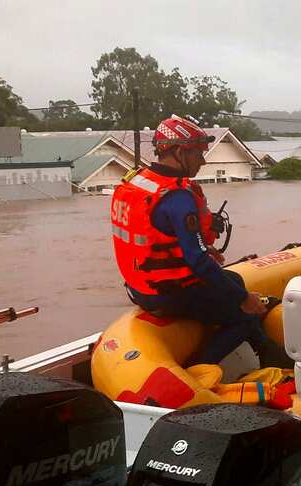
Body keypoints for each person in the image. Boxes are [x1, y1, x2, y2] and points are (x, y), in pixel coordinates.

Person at [110, 115, 289, 369]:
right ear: (179, 151)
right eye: (198, 153)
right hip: (167, 295)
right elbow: (199, 262)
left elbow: (156, 237)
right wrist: (244, 299)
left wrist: (209, 255)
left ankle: (265, 349)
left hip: (138, 288)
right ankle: (199, 368)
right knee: (244, 314)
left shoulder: (138, 183)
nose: (202, 161)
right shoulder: (177, 197)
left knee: (235, 280)